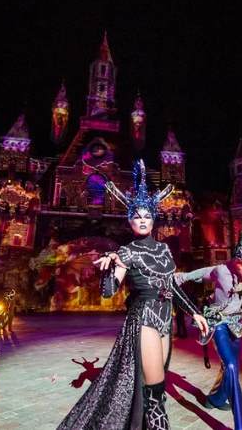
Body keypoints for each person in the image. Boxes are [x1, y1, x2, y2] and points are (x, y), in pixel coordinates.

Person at [58, 160, 209, 430]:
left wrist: (195, 313)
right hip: (144, 320)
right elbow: (108, 293)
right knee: (155, 394)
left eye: (147, 215)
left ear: (153, 218)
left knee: (156, 387)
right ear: (129, 220)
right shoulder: (126, 252)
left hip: (165, 320)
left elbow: (172, 286)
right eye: (136, 216)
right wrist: (111, 267)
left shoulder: (164, 250)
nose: (142, 219)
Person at [176, 232, 242, 430]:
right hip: (218, 322)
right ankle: (241, 426)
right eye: (241, 263)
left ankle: (215, 399)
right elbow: (198, 274)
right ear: (234, 259)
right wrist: (180, 278)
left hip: (236, 324)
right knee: (230, 366)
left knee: (231, 368)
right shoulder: (221, 270)